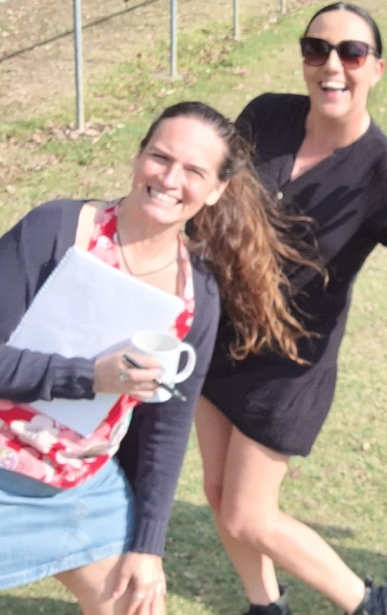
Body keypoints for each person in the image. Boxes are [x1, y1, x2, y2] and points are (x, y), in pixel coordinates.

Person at [195, 2, 387, 615]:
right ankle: (265, 607)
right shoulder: (266, 115)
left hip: (288, 368)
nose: (332, 65)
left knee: (248, 514)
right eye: (317, 49)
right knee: (218, 490)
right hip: (218, 338)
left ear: (376, 68)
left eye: (351, 53)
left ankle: (373, 604)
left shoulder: (385, 172)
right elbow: (208, 186)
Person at [0, 101, 312, 615]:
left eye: (193, 170)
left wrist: (147, 547)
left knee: (139, 605)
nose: (170, 178)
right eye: (160, 157)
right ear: (138, 155)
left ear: (215, 190)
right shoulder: (56, 229)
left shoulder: (198, 296)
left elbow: (166, 430)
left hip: (80, 491)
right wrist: (90, 377)